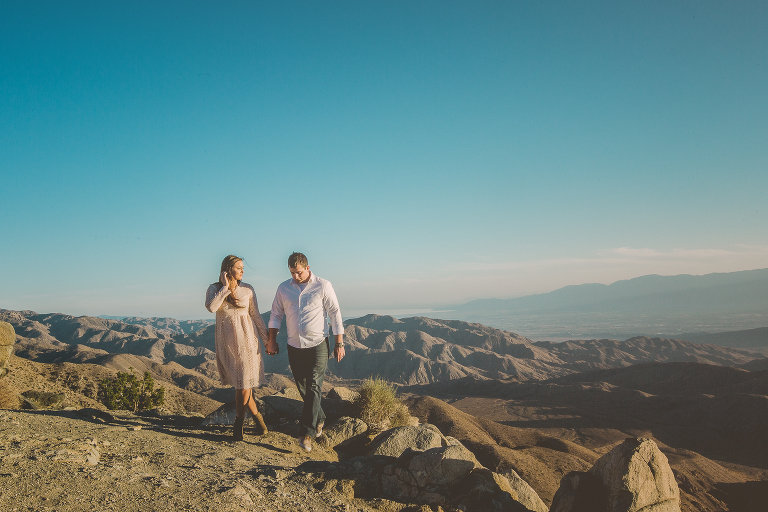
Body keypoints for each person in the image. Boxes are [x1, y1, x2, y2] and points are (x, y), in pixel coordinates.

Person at [266, 252, 345, 452]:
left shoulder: (323, 285)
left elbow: (335, 313)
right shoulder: (283, 288)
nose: (296, 276)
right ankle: (320, 417)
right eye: (292, 273)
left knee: (314, 385)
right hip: (294, 345)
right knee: (302, 386)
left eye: (299, 273)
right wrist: (272, 340)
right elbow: (276, 314)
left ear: (307, 268)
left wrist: (339, 343)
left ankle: (306, 433)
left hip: (318, 343)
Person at [205, 255, 269, 441]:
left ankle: (238, 424)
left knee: (243, 385)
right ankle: (260, 423)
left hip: (248, 342)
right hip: (227, 345)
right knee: (243, 385)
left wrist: (267, 341)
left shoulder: (248, 289)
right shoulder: (214, 289)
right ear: (227, 270)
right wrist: (225, 287)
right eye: (239, 268)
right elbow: (211, 307)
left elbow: (256, 315)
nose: (242, 271)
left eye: (242, 268)